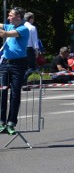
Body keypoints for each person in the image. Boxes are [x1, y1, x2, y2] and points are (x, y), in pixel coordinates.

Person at [0, 8, 31, 136]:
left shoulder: (23, 29)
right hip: (5, 64)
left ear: (18, 16)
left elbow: (4, 34)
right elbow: (2, 25)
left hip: (18, 65)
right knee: (3, 92)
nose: (8, 18)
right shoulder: (9, 25)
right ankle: (1, 122)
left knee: (15, 94)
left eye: (11, 15)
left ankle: (11, 122)